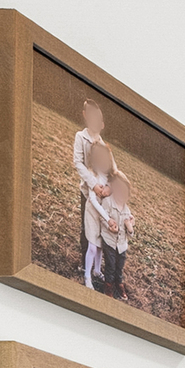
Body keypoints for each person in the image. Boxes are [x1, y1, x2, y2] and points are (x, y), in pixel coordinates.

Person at [72, 97, 114, 287]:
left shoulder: (103, 144)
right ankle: (84, 264)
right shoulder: (81, 137)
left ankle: (97, 267)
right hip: (88, 191)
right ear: (85, 116)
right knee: (86, 226)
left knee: (100, 227)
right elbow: (78, 163)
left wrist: (108, 186)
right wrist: (93, 184)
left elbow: (112, 168)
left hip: (102, 195)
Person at [95, 169, 136, 302]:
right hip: (110, 241)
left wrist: (130, 227)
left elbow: (130, 234)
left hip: (122, 245)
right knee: (111, 266)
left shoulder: (127, 210)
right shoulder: (108, 202)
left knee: (119, 267)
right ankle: (108, 285)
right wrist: (109, 225)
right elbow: (102, 217)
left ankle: (119, 284)